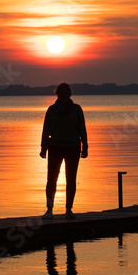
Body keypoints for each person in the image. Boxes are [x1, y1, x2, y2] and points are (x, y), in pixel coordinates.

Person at [40, 82, 88, 218]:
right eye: (61, 92)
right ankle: (49, 210)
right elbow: (46, 130)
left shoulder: (77, 109)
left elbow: (82, 129)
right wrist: (43, 148)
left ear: (70, 94)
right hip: (55, 147)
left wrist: (85, 147)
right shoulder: (51, 110)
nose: (64, 95)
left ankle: (68, 209)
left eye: (66, 92)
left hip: (73, 147)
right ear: (57, 94)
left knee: (71, 179)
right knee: (51, 179)